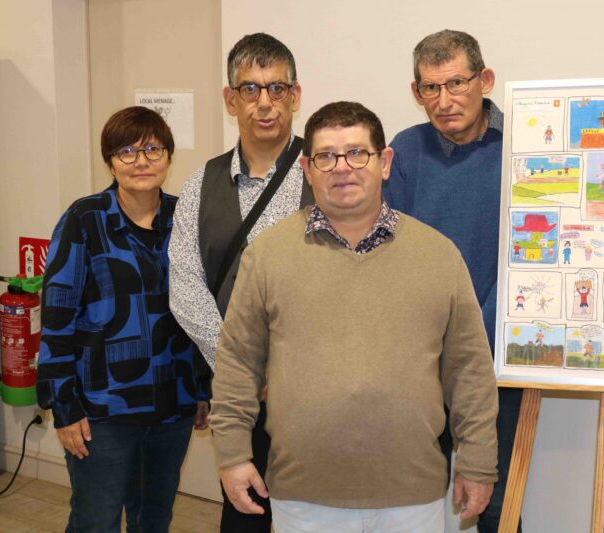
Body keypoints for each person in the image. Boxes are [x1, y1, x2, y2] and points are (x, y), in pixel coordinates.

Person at [210, 101, 499, 533]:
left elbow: (470, 371)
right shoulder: (267, 255)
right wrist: (233, 455)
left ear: (385, 162)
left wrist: (478, 462)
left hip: (413, 496)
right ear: (307, 169)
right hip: (303, 497)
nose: (342, 167)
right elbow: (237, 363)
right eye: (326, 156)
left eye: (357, 153)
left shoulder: (439, 255)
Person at [36, 106, 210, 532]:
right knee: (96, 521)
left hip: (172, 402)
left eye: (152, 149)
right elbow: (57, 316)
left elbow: (200, 308)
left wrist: (201, 385)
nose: (141, 161)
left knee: (154, 518)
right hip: (102, 410)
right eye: (126, 151)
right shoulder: (85, 219)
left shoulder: (185, 218)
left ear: (168, 156)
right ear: (110, 161)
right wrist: (63, 405)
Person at [168, 33, 312, 531]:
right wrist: (243, 368)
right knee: (246, 511)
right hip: (238, 393)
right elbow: (185, 287)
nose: (264, 103)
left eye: (277, 88)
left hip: (315, 390)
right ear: (231, 100)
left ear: (295, 96)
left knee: (313, 514)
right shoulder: (200, 185)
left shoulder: (326, 174)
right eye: (250, 89)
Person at [383, 29, 521, 532]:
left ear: (485, 80)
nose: (444, 101)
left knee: (496, 495)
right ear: (416, 91)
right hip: (421, 358)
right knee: (413, 494)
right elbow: (387, 252)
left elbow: (534, 254)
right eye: (430, 88)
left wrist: (478, 336)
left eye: (457, 83)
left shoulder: (525, 146)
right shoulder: (404, 150)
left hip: (500, 356)